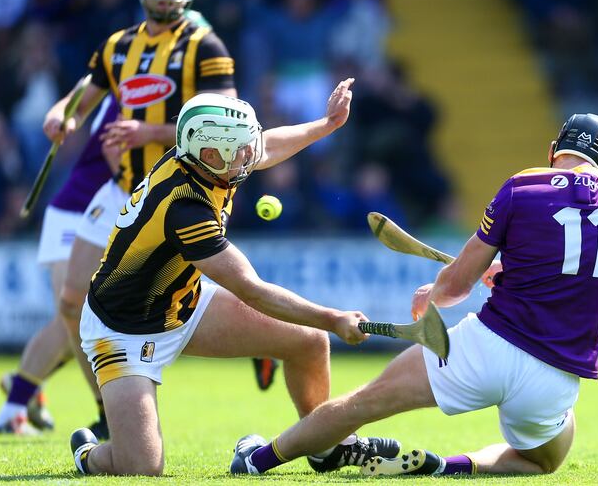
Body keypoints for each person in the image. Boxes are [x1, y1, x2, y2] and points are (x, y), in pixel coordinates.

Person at [230, 113, 598, 477]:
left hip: (486, 348)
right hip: (555, 374)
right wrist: (506, 268)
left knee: (362, 404)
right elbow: (568, 257)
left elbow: (457, 285)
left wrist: (433, 293)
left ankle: (258, 459)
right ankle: (448, 466)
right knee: (543, 460)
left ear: (552, 152)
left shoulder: (522, 187)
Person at [68, 85, 401, 476]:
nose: (250, 154)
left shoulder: (203, 159)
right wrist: (332, 318)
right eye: (241, 148)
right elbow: (251, 289)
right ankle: (88, 455)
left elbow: (269, 146)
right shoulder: (186, 208)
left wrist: (327, 125)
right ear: (210, 153)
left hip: (182, 305)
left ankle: (324, 446)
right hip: (122, 331)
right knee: (141, 467)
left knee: (307, 342)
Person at [37, 0, 275, 435]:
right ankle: (108, 413)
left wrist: (149, 133)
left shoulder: (205, 48)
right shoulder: (119, 44)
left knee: (190, 294)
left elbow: (230, 127)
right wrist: (64, 113)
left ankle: (266, 341)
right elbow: (87, 93)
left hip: (177, 190)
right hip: (122, 187)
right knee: (69, 300)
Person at [0, 96, 119, 436]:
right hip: (76, 213)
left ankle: (19, 392)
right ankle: (18, 405)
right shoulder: (130, 84)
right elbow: (80, 105)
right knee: (72, 318)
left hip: (105, 215)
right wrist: (59, 115)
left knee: (75, 322)